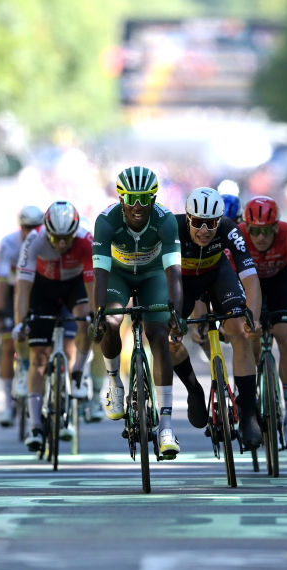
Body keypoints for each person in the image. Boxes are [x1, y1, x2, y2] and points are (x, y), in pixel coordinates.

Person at [90, 165, 184, 457]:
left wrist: (176, 315)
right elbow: (100, 275)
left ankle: (166, 424)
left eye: (145, 199)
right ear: (121, 200)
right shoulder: (106, 222)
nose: (139, 206)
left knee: (158, 335)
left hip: (152, 275)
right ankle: (114, 381)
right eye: (132, 199)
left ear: (154, 199)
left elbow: (174, 273)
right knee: (111, 321)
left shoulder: (166, 221)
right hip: (117, 275)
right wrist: (98, 314)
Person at [170, 187, 262, 448]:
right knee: (169, 339)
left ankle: (246, 415)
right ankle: (194, 391)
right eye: (198, 222)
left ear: (220, 220)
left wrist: (251, 318)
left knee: (241, 332)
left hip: (218, 276)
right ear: (187, 218)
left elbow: (250, 277)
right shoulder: (171, 228)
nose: (205, 230)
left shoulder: (230, 228)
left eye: (211, 223)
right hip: (182, 283)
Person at [13, 200, 94, 450]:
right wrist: (21, 322)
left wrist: (94, 315)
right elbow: (23, 288)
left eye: (66, 238)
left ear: (75, 231)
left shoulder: (86, 240)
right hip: (42, 288)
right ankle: (36, 425)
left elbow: (93, 287)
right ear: (46, 230)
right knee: (39, 357)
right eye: (56, 238)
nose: (61, 243)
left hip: (74, 285)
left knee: (86, 321)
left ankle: (79, 373)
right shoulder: (33, 240)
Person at [239, 195, 287, 448]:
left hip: (281, 283)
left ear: (277, 227)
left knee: (286, 336)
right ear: (246, 227)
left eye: (267, 231)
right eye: (255, 231)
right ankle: (250, 390)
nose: (261, 237)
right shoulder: (237, 236)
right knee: (251, 336)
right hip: (248, 285)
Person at [0, 205, 44, 427]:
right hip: (14, 290)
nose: (29, 230)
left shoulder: (45, 241)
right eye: (26, 227)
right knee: (8, 344)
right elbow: (1, 281)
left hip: (39, 288)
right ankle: (8, 404)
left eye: (35, 226)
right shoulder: (9, 243)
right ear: (19, 226)